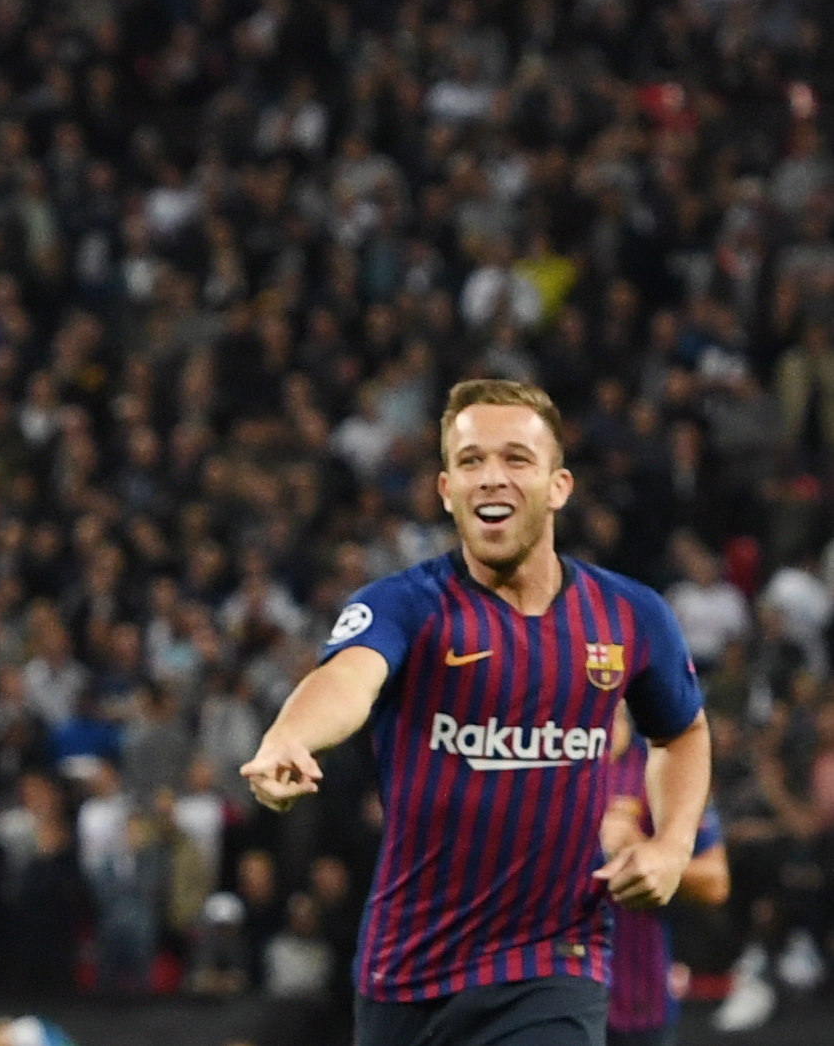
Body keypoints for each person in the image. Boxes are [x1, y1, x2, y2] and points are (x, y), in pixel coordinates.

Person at [241, 379, 712, 1046]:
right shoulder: (406, 603)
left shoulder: (630, 615)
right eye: (471, 461)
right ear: (446, 490)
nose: (492, 476)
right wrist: (290, 735)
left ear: (558, 486)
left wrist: (672, 845)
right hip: (409, 972)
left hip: (555, 958)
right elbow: (345, 678)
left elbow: (682, 732)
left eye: (516, 458)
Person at [601, 709, 729, 1046]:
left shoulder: (663, 765)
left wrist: (641, 850)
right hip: (551, 991)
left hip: (638, 999)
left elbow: (715, 881)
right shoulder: (542, 765)